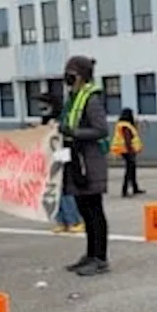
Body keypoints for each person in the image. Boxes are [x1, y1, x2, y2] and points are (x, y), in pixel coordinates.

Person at [60, 55, 111, 276]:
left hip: (89, 163)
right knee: (84, 210)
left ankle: (100, 257)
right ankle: (90, 254)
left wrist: (73, 133)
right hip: (76, 162)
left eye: (70, 73)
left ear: (80, 75)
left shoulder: (91, 98)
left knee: (94, 210)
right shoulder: (74, 97)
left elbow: (101, 129)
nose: (67, 78)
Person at [38, 91, 84, 234]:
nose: (41, 106)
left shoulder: (62, 119)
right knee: (54, 189)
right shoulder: (45, 119)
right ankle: (61, 220)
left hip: (62, 155)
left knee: (65, 188)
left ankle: (74, 220)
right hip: (50, 156)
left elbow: (67, 137)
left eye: (44, 103)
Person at [112, 108, 145, 197]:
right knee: (129, 170)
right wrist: (131, 151)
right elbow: (127, 140)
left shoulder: (123, 124)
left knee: (132, 169)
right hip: (127, 150)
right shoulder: (126, 126)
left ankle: (134, 187)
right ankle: (125, 190)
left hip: (125, 150)